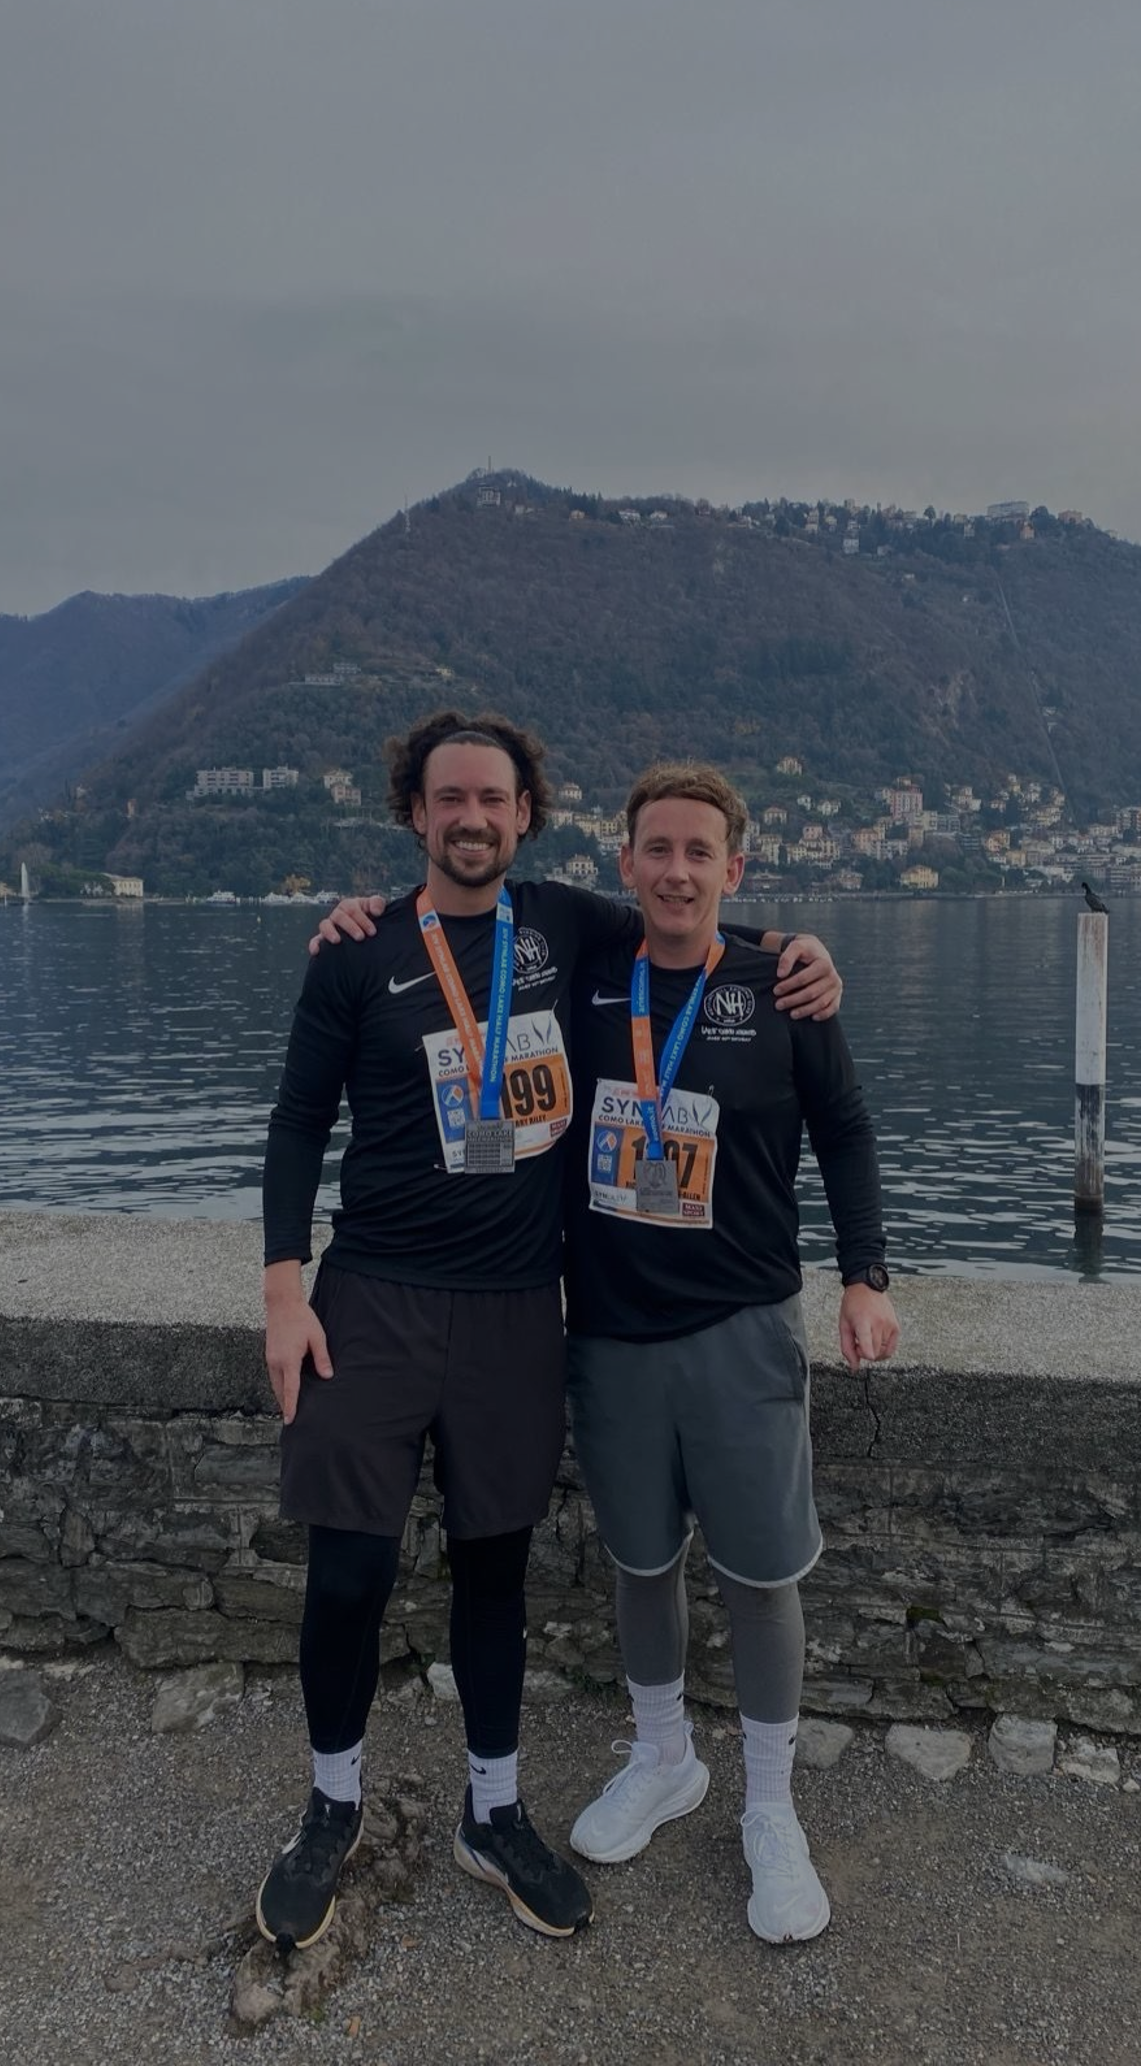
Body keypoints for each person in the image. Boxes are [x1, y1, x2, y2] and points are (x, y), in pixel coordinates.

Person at [257, 709, 840, 1954]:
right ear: (414, 810)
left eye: (496, 799)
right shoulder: (354, 953)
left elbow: (703, 935)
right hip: (374, 1294)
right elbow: (298, 1120)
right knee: (349, 1569)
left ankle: (495, 1809)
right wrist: (282, 1287)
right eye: (449, 797)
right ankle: (331, 1802)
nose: (472, 817)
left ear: (527, 814)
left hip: (521, 1304)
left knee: (494, 1572)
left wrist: (804, 954)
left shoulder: (572, 928)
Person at [561, 761, 899, 1945]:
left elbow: (848, 1130)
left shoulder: (781, 983)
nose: (676, 870)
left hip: (745, 1325)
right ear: (626, 864)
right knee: (641, 1561)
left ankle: (769, 1804)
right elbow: (473, 918)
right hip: (609, 1330)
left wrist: (866, 1274)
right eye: (656, 848)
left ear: (733, 869)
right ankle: (663, 1756)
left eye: (700, 851)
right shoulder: (590, 974)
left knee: (763, 1575)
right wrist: (359, 921)